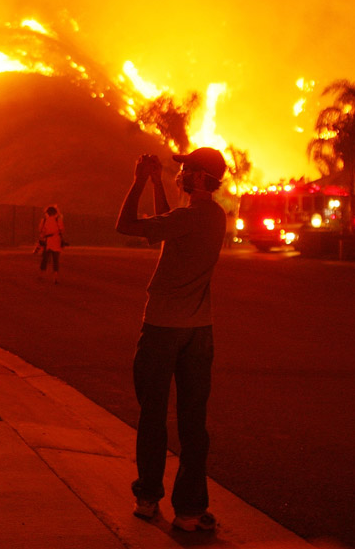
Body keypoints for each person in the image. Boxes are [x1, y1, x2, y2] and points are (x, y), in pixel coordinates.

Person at [115, 147, 227, 532]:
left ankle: (147, 498)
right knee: (194, 423)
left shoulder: (188, 216)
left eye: (187, 170)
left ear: (199, 178)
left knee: (152, 416)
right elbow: (167, 224)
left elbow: (127, 226)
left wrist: (136, 182)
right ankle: (190, 511)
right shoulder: (211, 216)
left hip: (163, 328)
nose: (182, 174)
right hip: (199, 330)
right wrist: (156, 182)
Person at [37, 205, 65, 284]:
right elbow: (62, 230)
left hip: (48, 241)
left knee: (45, 259)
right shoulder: (58, 220)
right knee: (55, 260)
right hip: (56, 241)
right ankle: (55, 278)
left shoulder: (44, 220)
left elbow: (40, 230)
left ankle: (41, 274)